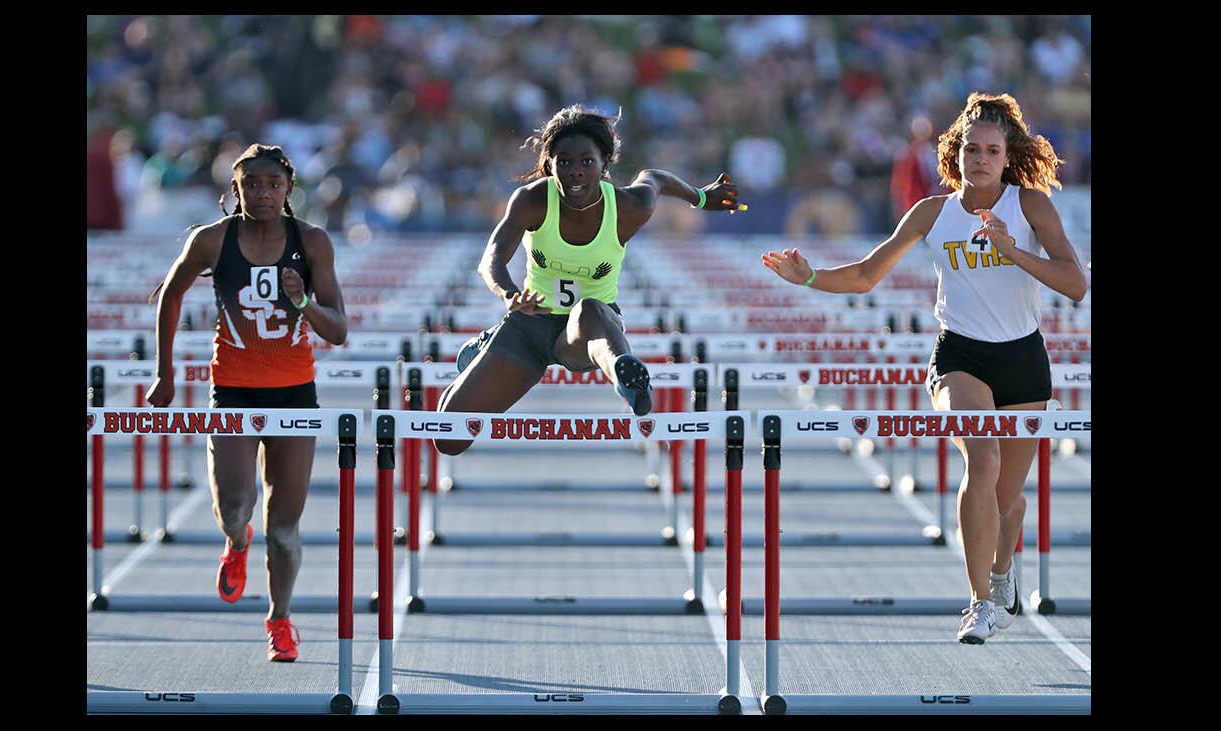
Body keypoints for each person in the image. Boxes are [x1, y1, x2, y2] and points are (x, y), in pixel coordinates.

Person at [761, 92, 1087, 644]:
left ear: (1007, 158)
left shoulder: (1030, 206)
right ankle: (979, 602)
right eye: (971, 149)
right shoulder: (933, 213)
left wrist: (1013, 253)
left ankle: (1003, 573)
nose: (980, 159)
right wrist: (810, 277)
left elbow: (1076, 285)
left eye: (991, 150)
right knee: (980, 464)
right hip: (960, 355)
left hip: (1024, 360)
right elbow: (866, 275)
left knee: (1007, 499)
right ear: (954, 154)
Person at [433, 104, 743, 456]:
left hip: (588, 333)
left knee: (590, 310)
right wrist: (508, 294)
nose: (574, 173)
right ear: (549, 164)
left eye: (586, 162)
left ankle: (626, 377)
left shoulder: (629, 206)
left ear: (604, 164)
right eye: (563, 162)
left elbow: (655, 178)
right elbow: (491, 259)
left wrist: (701, 198)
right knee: (448, 437)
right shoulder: (532, 200)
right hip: (529, 324)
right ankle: (490, 344)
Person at [145, 144, 348, 661]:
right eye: (250, 184)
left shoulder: (313, 242)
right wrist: (165, 373)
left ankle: (280, 619)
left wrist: (301, 301)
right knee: (234, 509)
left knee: (285, 527)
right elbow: (170, 294)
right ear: (234, 191)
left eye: (272, 184)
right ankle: (237, 545)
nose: (261, 193)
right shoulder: (212, 240)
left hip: (295, 394)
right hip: (233, 389)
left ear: (288, 190)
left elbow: (340, 329)